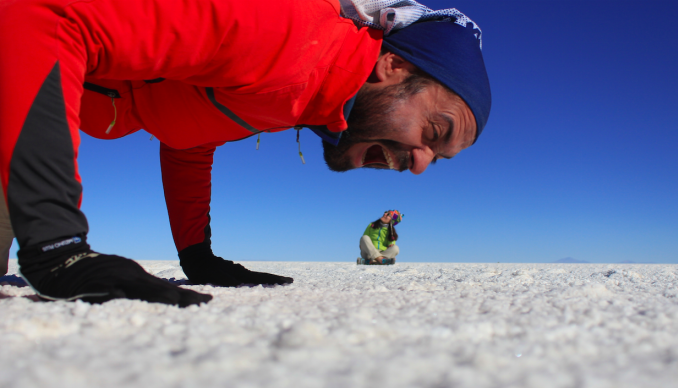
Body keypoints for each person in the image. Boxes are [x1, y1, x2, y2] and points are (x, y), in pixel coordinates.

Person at [0, 0, 491, 306]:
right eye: (435, 130)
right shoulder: (285, 30)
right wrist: (56, 244)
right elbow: (41, 15)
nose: (422, 163)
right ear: (394, 65)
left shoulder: (304, 93)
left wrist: (198, 258)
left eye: (438, 158)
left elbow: (188, 139)